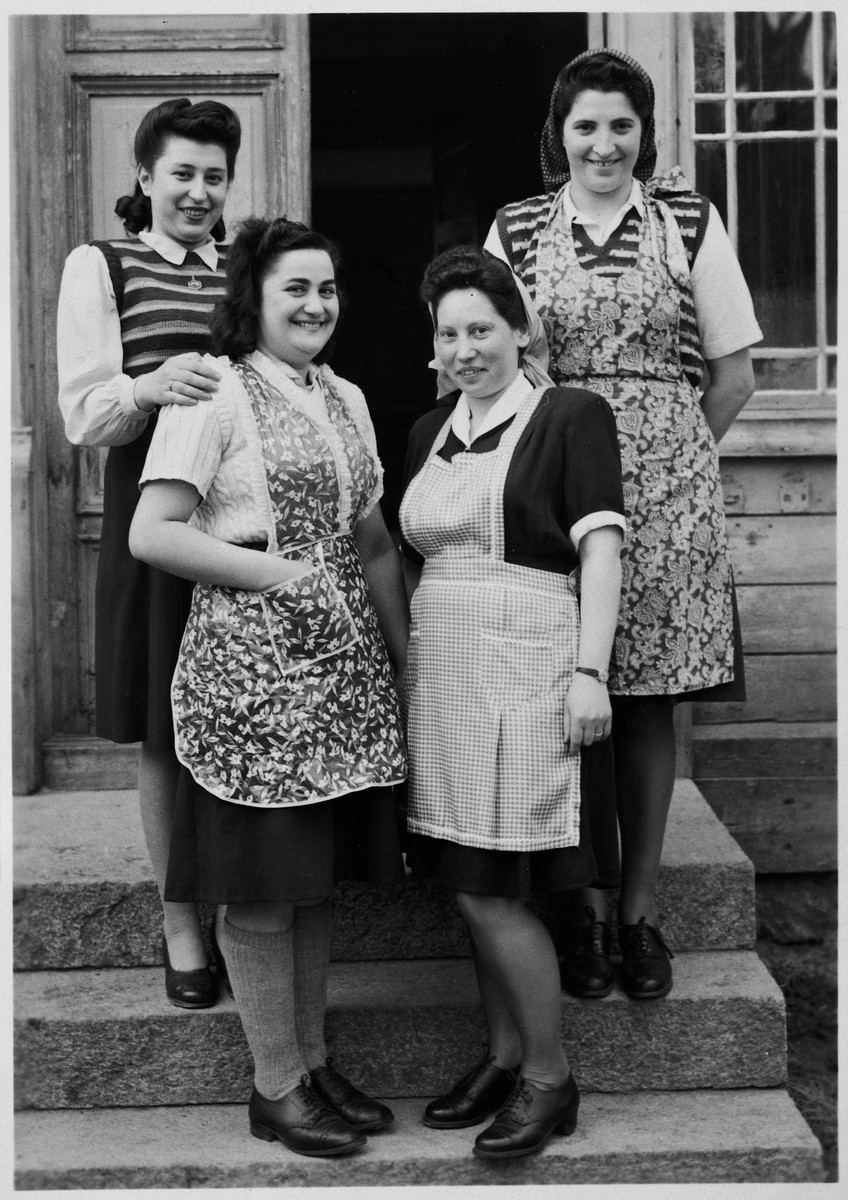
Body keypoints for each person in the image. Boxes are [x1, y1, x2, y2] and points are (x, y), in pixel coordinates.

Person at [485, 49, 762, 1001]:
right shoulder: (518, 226)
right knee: (559, 690)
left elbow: (733, 374)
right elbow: (486, 357)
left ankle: (638, 912)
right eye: (584, 127)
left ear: (647, 134)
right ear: (559, 137)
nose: (603, 144)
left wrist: (674, 451)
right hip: (553, 476)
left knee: (644, 706)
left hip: (667, 497)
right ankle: (579, 912)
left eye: (621, 126)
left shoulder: (687, 218)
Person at [128, 216, 408, 1158]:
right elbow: (154, 532)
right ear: (254, 296)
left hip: (341, 672)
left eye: (328, 288)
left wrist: (402, 663)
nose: (316, 305)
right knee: (258, 889)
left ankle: (314, 1063)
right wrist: (278, 575)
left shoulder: (349, 398)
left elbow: (371, 543)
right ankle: (274, 1085)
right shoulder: (212, 394)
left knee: (312, 882)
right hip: (250, 673)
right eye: (296, 288)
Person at [399, 245, 625, 1159]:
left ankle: (550, 1076)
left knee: (501, 890)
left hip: (532, 666)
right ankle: (501, 1055)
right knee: (465, 879)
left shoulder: (570, 416)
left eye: (481, 329)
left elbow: (603, 551)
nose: (464, 348)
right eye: (448, 332)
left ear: (519, 330)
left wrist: (589, 671)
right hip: (444, 674)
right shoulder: (425, 433)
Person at [57, 97, 242, 1007]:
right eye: (182, 173)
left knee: (238, 708)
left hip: (239, 515)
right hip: (151, 510)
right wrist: (152, 383)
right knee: (168, 724)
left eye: (214, 176)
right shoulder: (103, 263)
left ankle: (242, 909)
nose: (199, 192)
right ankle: (180, 924)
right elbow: (84, 414)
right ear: (144, 177)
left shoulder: (248, 268)